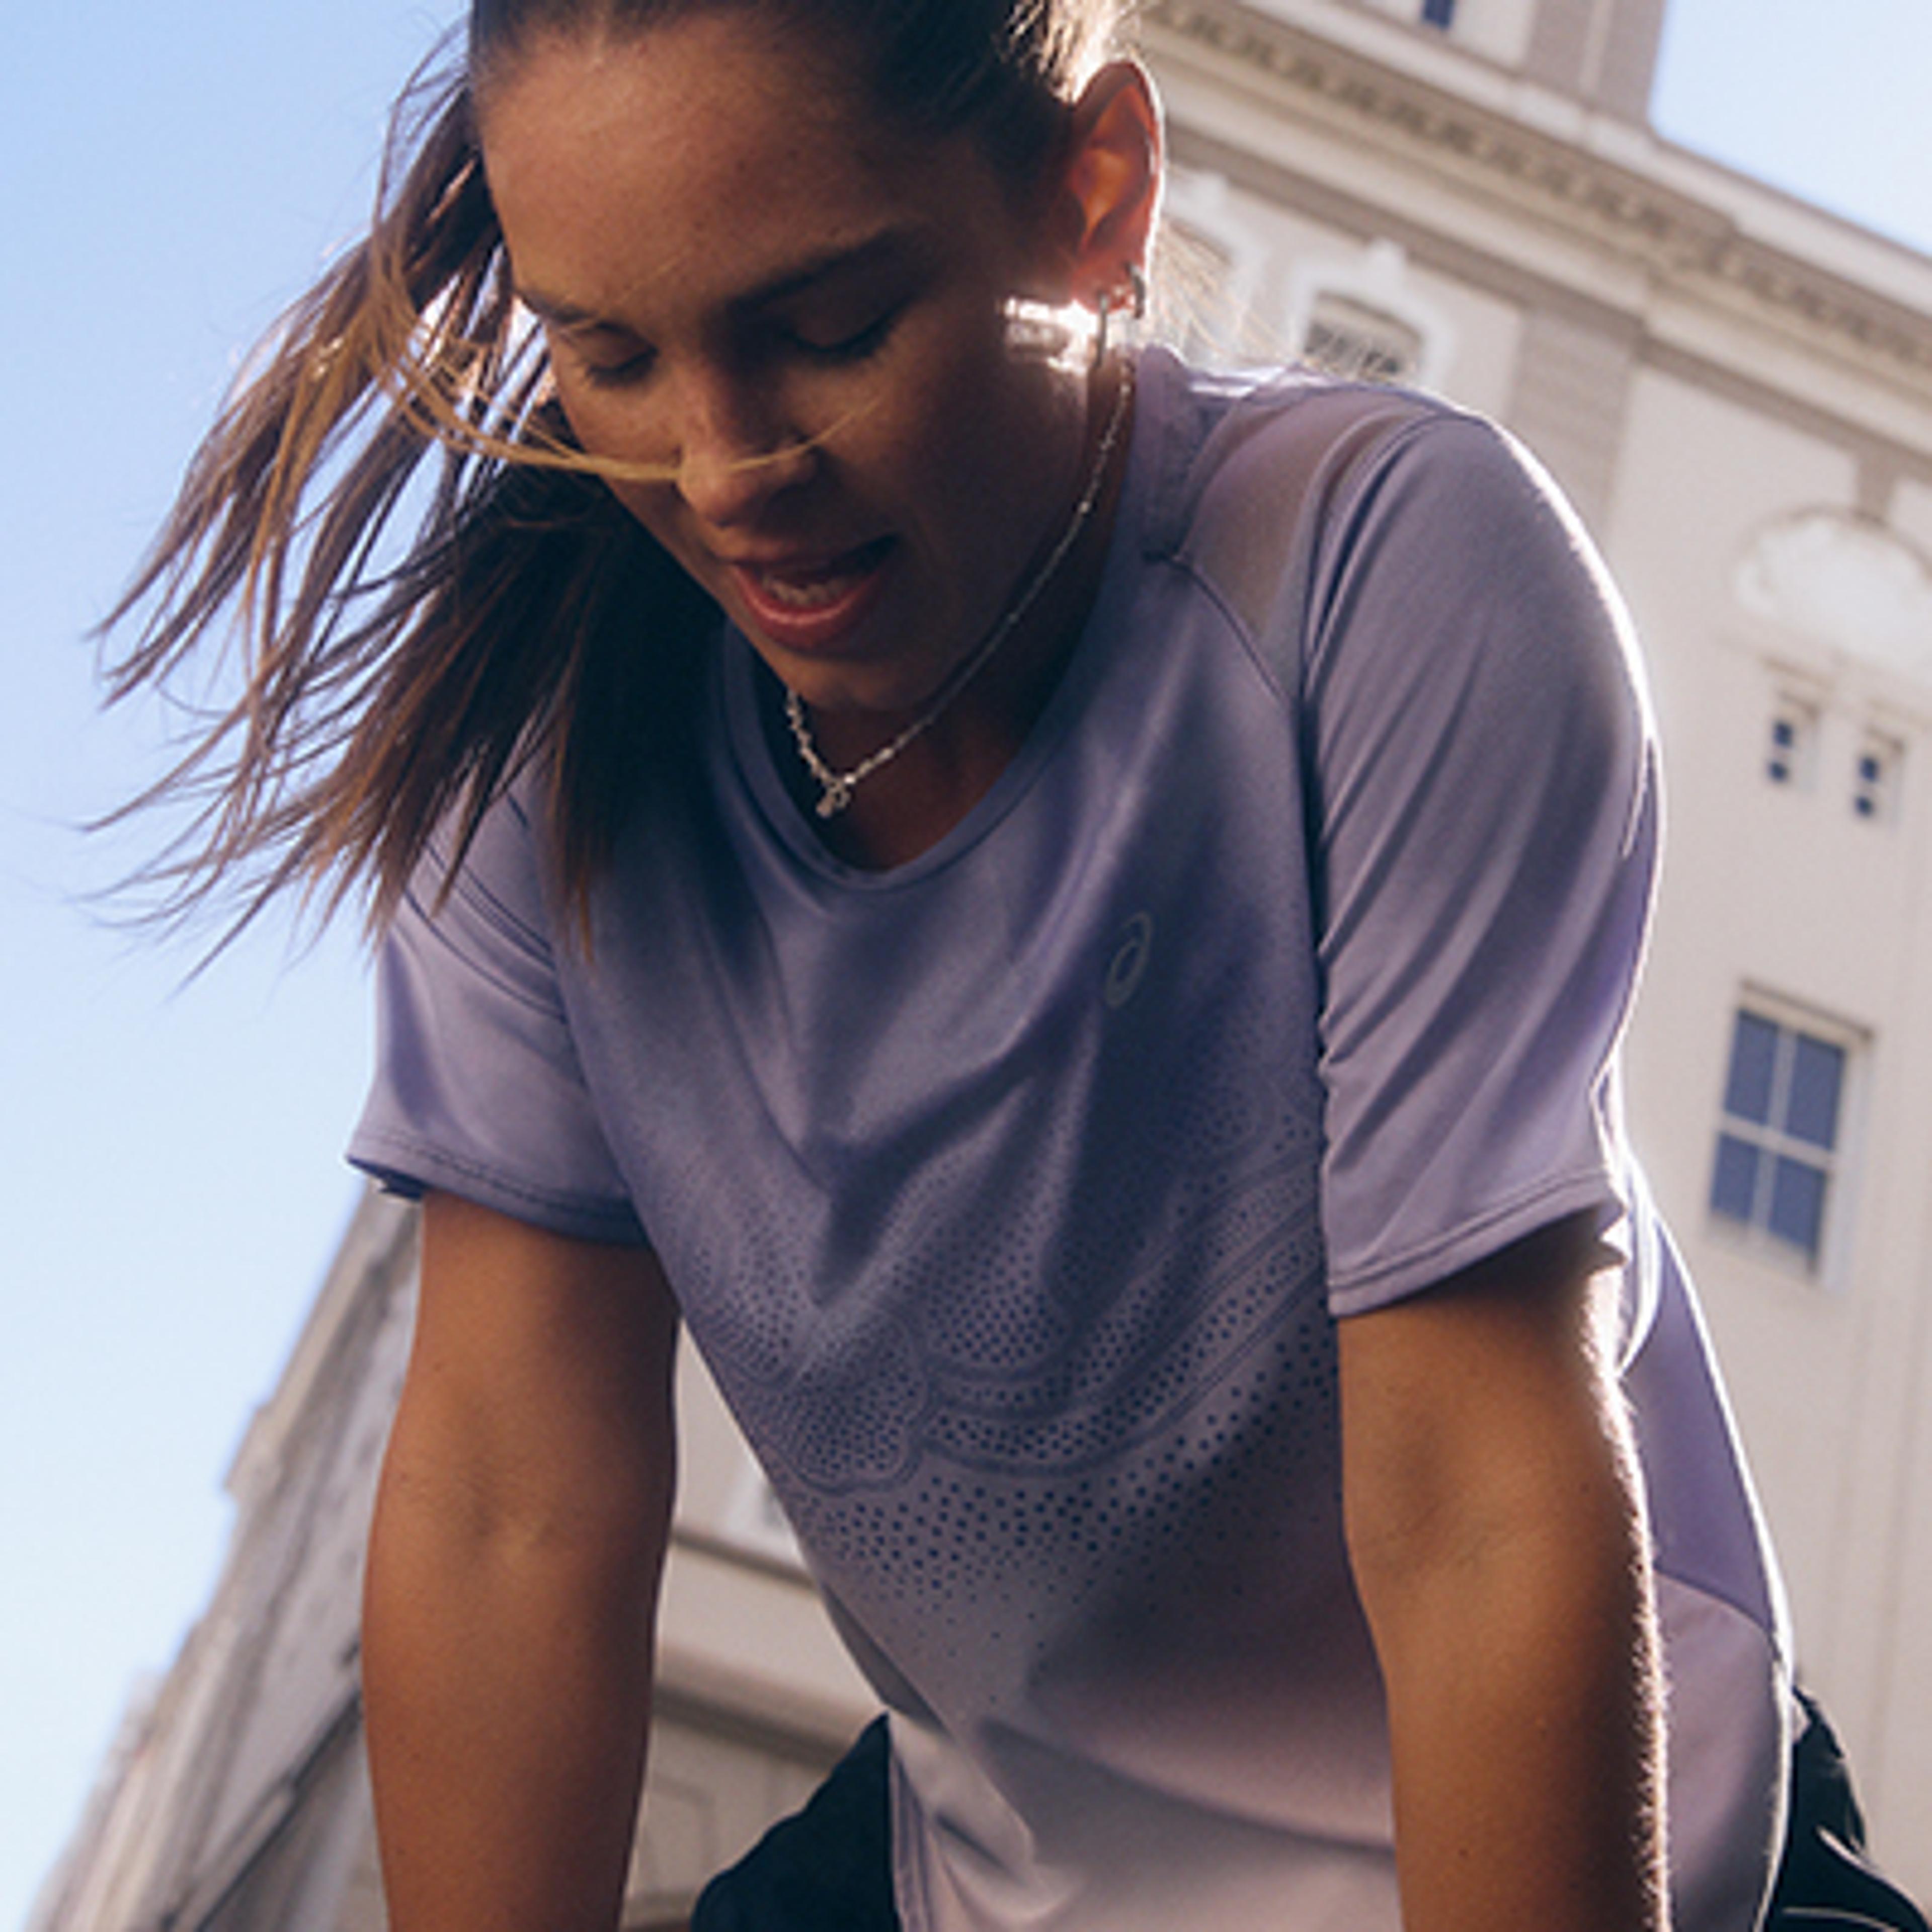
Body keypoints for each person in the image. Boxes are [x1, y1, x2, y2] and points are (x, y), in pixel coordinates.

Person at [97, 2, 1925, 1929]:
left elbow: (1480, 1511)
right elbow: (507, 1504)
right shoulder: (547, 750)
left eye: (828, 326)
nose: (723, 469)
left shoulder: (1388, 566)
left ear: (1098, 191)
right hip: (1005, 1864)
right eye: (610, 353)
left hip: (1610, 1839)